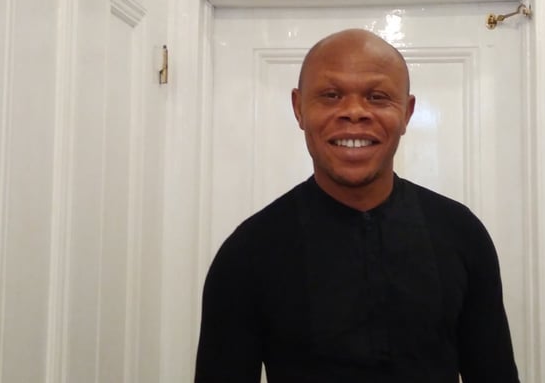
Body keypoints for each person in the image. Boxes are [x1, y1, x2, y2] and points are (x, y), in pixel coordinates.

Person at [194, 29, 520, 383]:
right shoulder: (248, 253)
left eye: (377, 97)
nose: (353, 112)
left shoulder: (461, 234)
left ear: (407, 112)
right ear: (298, 108)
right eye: (331, 95)